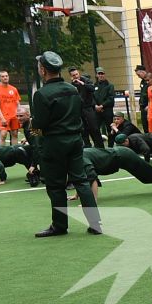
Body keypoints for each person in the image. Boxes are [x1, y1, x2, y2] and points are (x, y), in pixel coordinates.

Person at [29, 50, 100, 237]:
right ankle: (95, 223)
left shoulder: (42, 94)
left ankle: (60, 226)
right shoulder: (72, 89)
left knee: (56, 186)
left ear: (43, 70)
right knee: (82, 182)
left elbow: (39, 125)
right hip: (75, 140)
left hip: (54, 143)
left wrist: (34, 132)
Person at [82, 142, 152, 191]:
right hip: (121, 156)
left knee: (151, 177)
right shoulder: (77, 156)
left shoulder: (80, 159)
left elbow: (92, 179)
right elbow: (85, 177)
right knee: (149, 177)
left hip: (124, 156)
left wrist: (92, 202)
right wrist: (78, 194)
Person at [0, 71, 22, 147]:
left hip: (14, 115)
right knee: (3, 134)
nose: (5, 78)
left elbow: (18, 103)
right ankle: (2, 153)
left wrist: (19, 115)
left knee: (14, 134)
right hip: (4, 116)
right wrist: (1, 117)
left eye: (6, 76)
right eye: (3, 76)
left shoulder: (13, 89)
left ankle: (15, 152)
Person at [94, 68, 120, 140]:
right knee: (95, 129)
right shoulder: (94, 85)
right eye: (99, 74)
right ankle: (99, 145)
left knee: (110, 129)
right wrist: (96, 106)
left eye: (102, 74)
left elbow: (111, 98)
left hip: (107, 111)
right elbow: (92, 98)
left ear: (105, 75)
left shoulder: (110, 85)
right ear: (96, 75)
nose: (101, 75)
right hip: (97, 111)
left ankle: (110, 146)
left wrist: (102, 106)